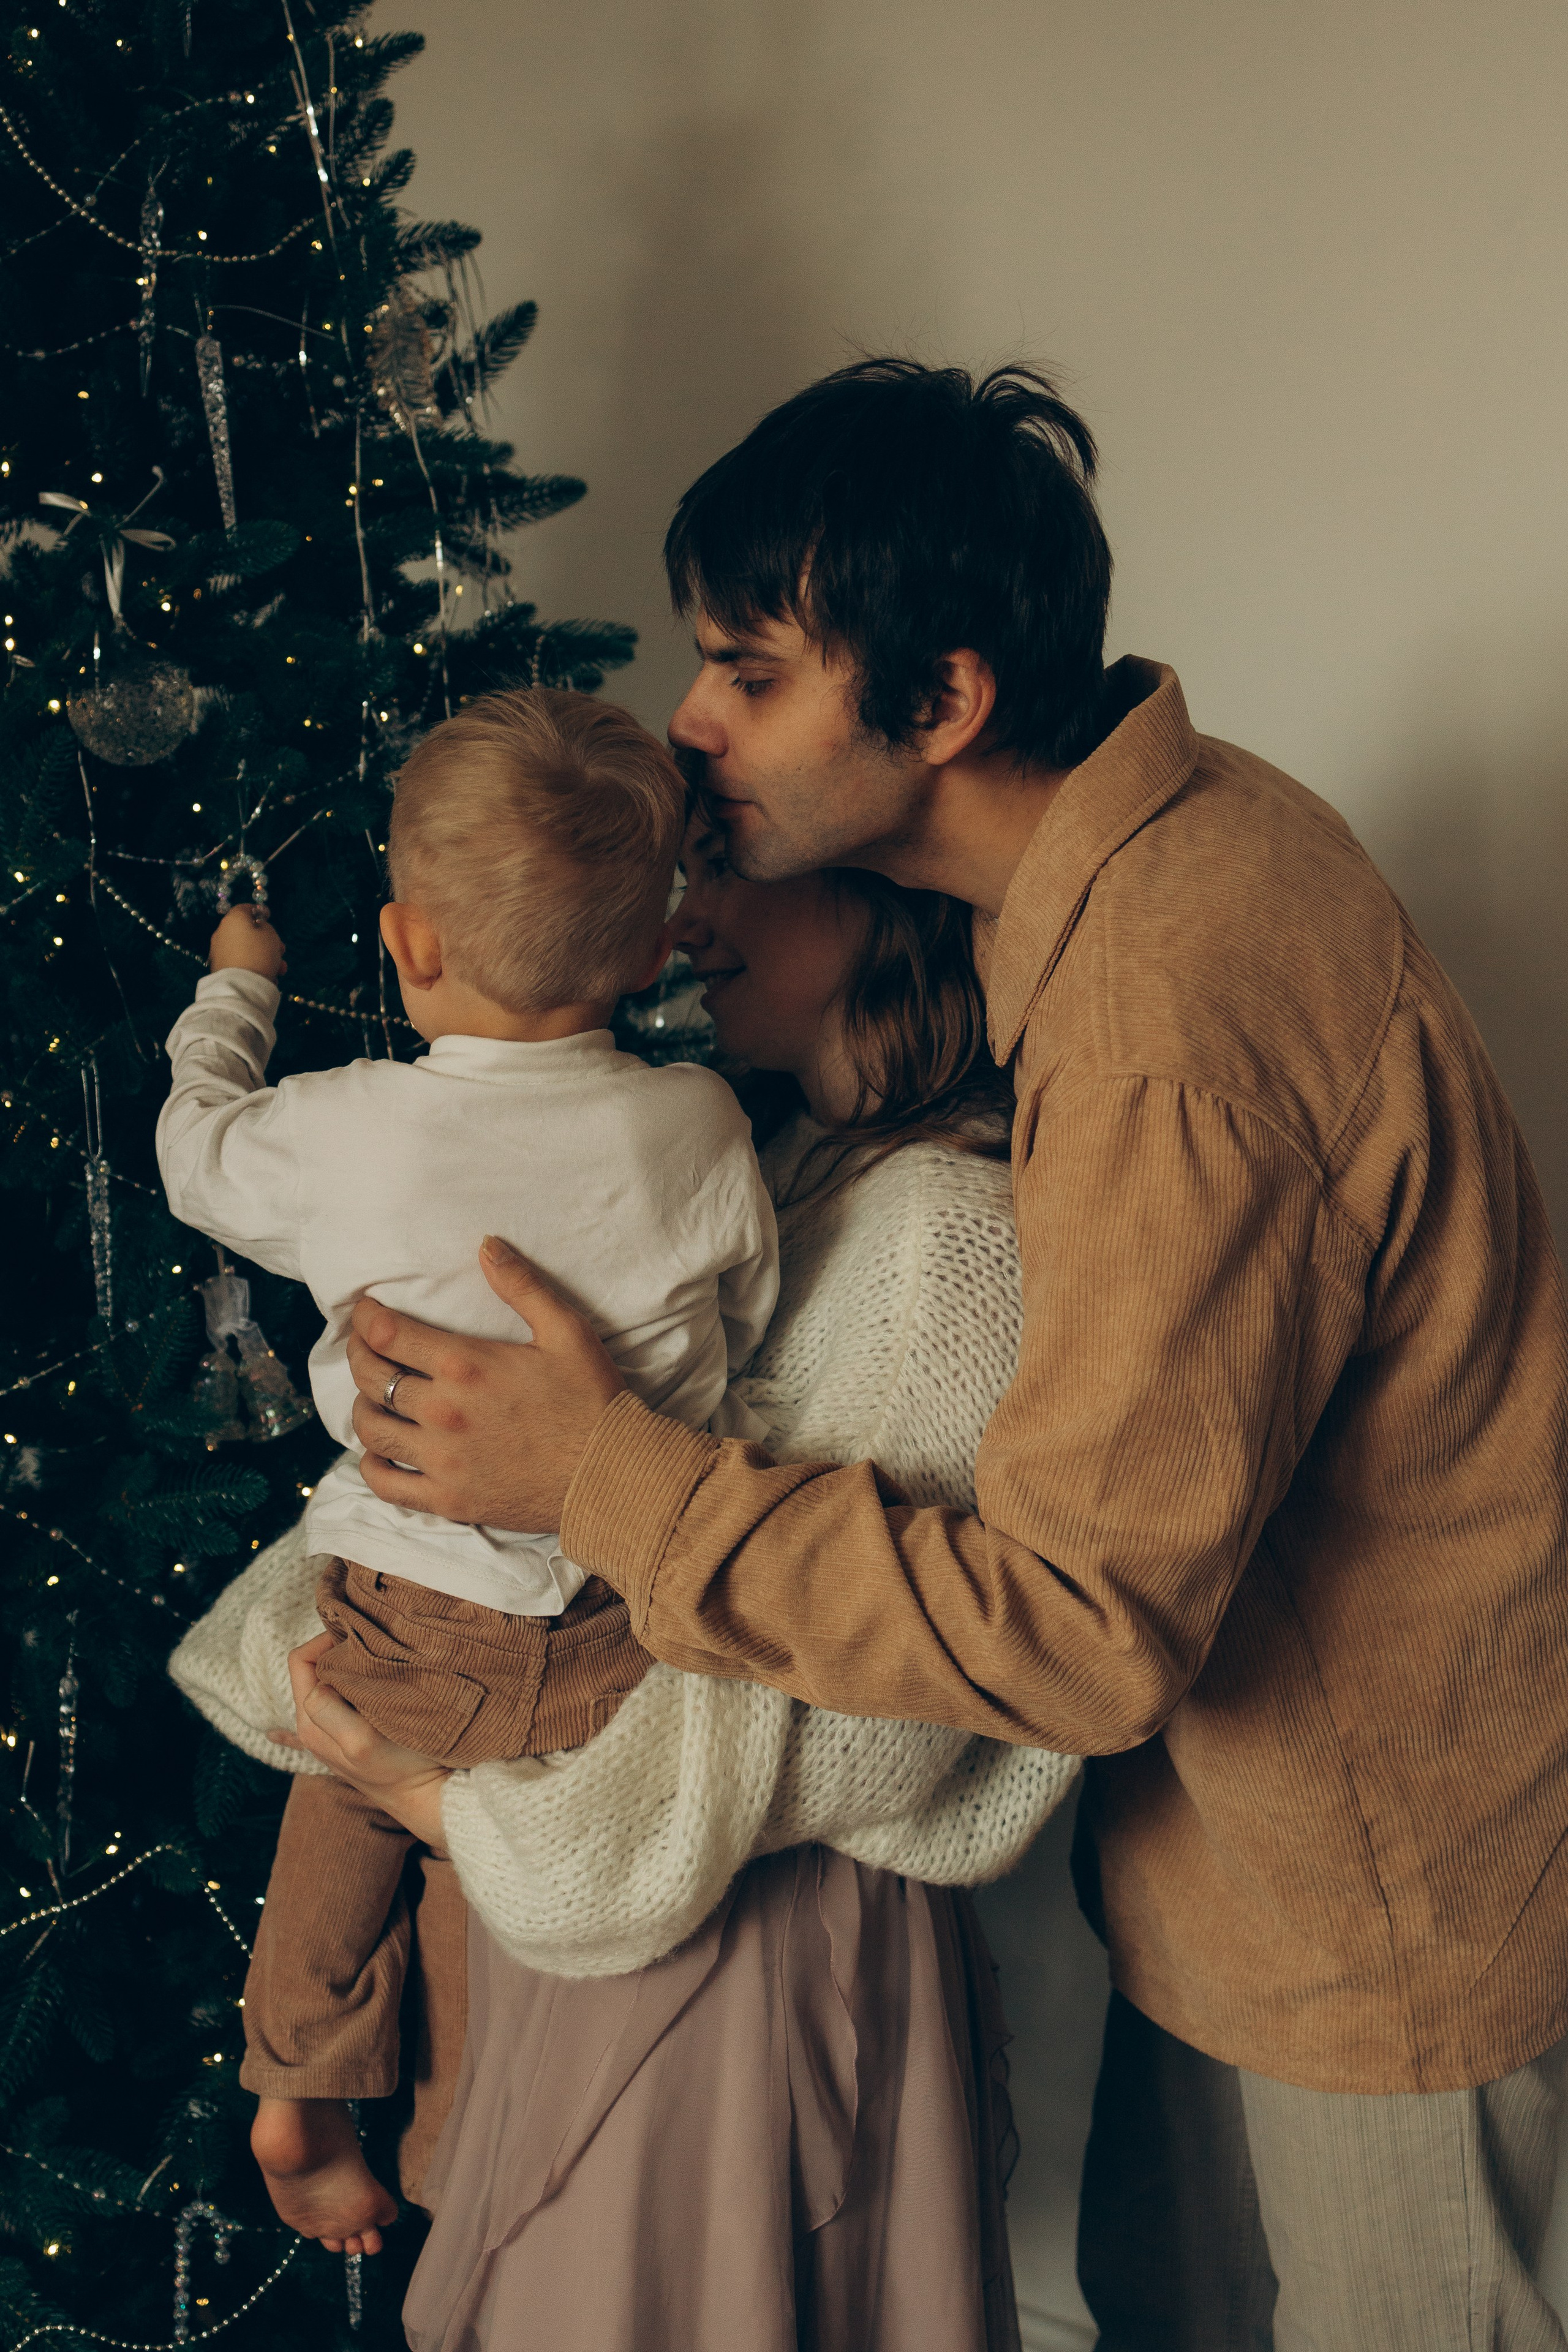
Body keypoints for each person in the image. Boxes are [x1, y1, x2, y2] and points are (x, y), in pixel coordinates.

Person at [331, 359, 1568, 2351]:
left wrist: (596, 1478)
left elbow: (1079, 1622)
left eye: (746, 669)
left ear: (944, 703)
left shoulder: (1175, 1002)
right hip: (1253, 1888)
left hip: (1379, 1934)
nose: (693, 729)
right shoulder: (1148, 872)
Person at [171, 820, 1080, 2349]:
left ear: (880, 902)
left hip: (736, 1961)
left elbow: (860, 1718)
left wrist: (431, 1798)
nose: (684, 913)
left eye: (730, 866)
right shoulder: (762, 1158)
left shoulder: (940, 1233)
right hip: (610, 1886)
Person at [156, 689, 778, 2254]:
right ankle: (444, 2151)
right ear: (651, 952)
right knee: (478, 1855)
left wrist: (235, 994)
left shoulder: (345, 1131)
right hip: (619, 1613)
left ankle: (299, 2073)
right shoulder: (697, 1121)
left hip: (413, 1587)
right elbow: (751, 1312)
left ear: (406, 944)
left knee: (347, 1782)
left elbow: (195, 1151)